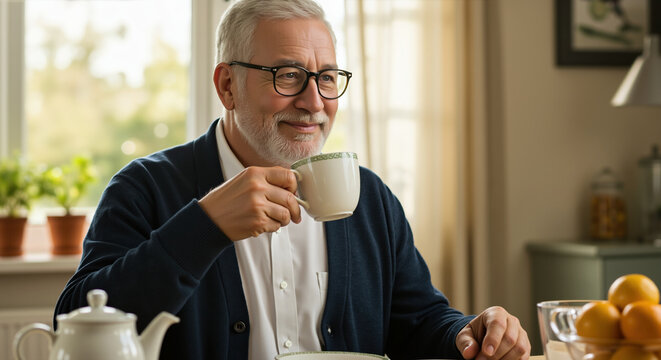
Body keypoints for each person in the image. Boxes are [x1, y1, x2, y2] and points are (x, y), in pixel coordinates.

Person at [55, 0, 531, 359]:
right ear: (227, 86)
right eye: (288, 76)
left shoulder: (371, 198)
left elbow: (418, 319)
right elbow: (72, 322)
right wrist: (205, 227)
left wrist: (470, 332)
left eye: (326, 77)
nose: (314, 101)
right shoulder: (145, 188)